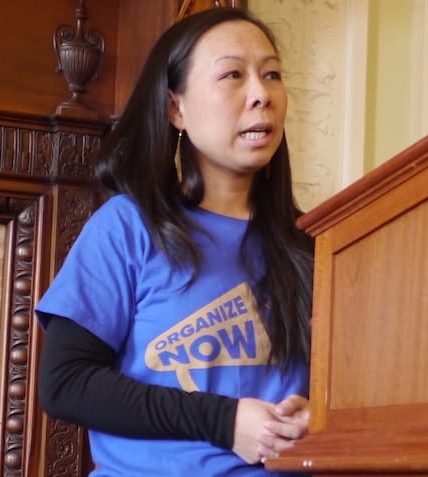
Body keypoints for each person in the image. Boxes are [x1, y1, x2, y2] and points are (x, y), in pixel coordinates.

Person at [36, 7, 314, 476]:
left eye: (272, 75)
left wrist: (319, 416)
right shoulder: (126, 228)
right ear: (176, 108)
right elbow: (66, 383)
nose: (261, 95)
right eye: (232, 75)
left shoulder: (315, 240)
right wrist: (224, 422)